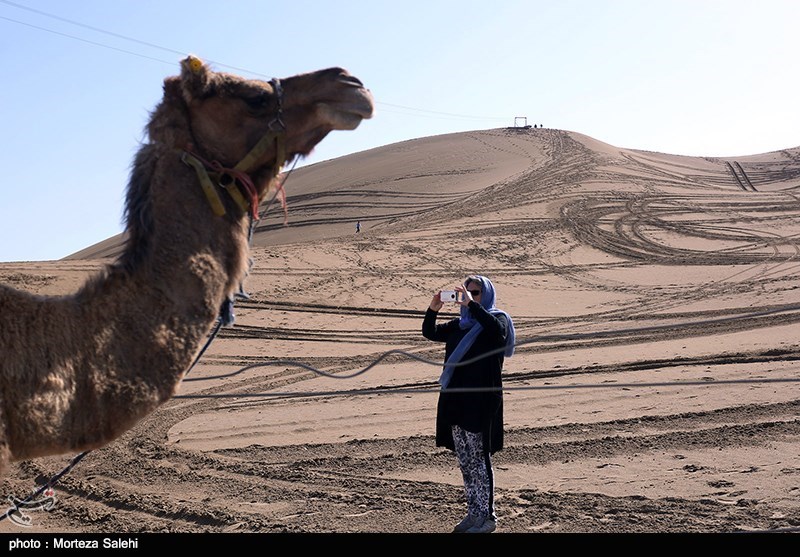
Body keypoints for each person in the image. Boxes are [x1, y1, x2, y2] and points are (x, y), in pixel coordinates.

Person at [422, 275, 515, 533]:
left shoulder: (497, 320)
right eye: (467, 293)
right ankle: (473, 514)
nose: (470, 297)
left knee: (479, 459)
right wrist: (433, 308)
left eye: (476, 293)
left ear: (486, 295)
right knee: (465, 460)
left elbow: (496, 333)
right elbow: (430, 333)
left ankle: (488, 517)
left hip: (482, 401)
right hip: (456, 399)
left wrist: (473, 306)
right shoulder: (461, 325)